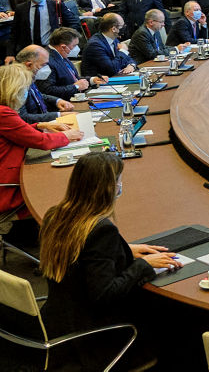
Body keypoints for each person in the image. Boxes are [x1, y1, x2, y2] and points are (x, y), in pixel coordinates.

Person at [38, 152, 182, 370]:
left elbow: (78, 253)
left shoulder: (55, 215)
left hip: (58, 325)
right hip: (96, 339)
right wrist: (144, 265)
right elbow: (104, 294)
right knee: (172, 317)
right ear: (107, 188)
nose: (120, 186)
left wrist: (123, 249)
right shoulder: (102, 230)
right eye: (118, 181)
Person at [1, 64, 80, 225]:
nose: (25, 94)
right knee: (67, 187)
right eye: (23, 89)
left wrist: (41, 125)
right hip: (9, 187)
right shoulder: (4, 113)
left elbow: (16, 131)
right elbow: (40, 141)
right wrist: (67, 136)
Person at [7, 0, 79, 59]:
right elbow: (14, 33)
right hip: (29, 51)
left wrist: (65, 41)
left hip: (51, 50)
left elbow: (74, 23)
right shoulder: (21, 8)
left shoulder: (56, 5)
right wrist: (10, 54)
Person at [80, 13, 137, 77]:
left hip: (115, 77)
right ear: (114, 29)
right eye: (122, 26)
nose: (124, 28)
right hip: (101, 82)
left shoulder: (113, 39)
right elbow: (111, 70)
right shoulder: (95, 45)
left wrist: (131, 65)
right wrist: (123, 51)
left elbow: (128, 58)